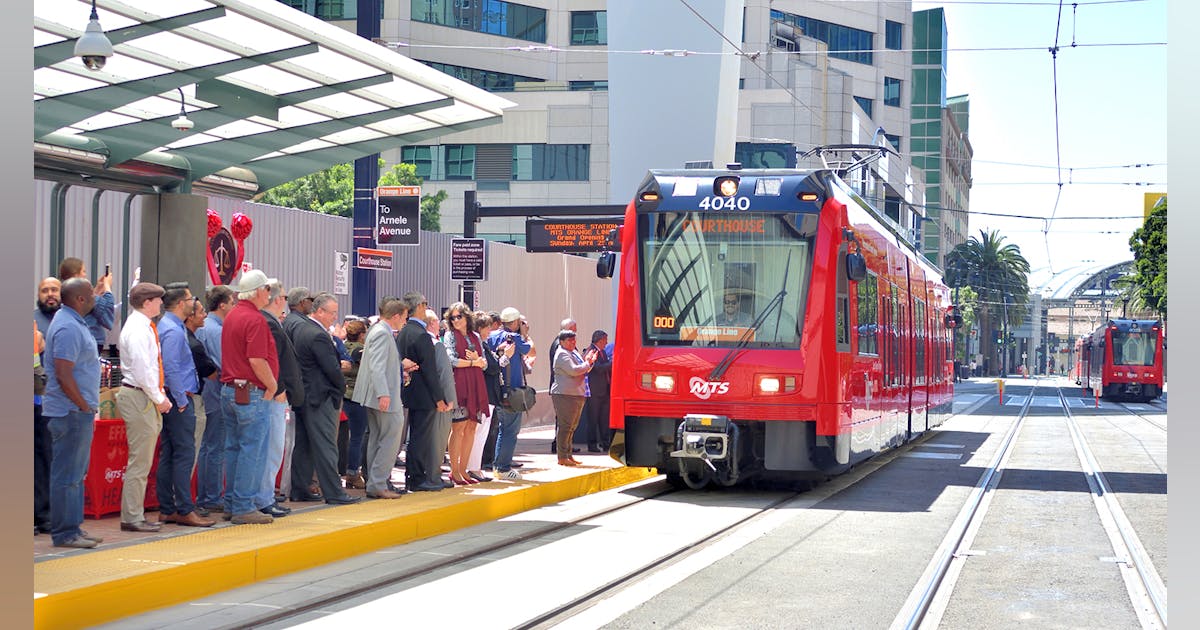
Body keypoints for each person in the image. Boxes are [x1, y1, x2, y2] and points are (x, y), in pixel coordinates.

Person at [43, 278, 102, 548]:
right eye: (91, 294)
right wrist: (83, 405)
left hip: (76, 411)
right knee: (67, 475)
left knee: (76, 475)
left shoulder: (74, 322)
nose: (94, 298)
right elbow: (64, 374)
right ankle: (65, 533)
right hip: (70, 413)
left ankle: (73, 528)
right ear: (79, 298)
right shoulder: (67, 327)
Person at [288, 292, 361, 506]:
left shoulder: (302, 329)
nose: (335, 318)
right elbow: (331, 368)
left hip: (306, 396)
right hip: (321, 397)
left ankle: (300, 489)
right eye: (332, 313)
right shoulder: (318, 335)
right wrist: (341, 387)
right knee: (327, 445)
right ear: (319, 311)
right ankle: (334, 492)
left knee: (304, 445)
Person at [219, 269, 279, 525]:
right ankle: (244, 505)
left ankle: (233, 502)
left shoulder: (233, 316)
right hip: (252, 393)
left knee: (233, 447)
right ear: (257, 292)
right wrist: (272, 385)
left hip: (231, 390)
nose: (270, 293)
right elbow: (256, 359)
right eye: (267, 289)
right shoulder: (254, 320)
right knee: (252, 450)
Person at [155, 283, 214, 528]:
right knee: (183, 454)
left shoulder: (171, 326)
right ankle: (183, 508)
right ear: (181, 303)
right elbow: (170, 368)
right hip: (179, 398)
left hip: (176, 396)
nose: (193, 302)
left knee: (170, 453)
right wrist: (180, 400)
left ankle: (168, 508)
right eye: (190, 299)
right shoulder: (172, 329)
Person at [115, 281, 170, 534]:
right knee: (140, 462)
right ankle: (132, 516)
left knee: (143, 461)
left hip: (142, 395)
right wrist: (159, 398)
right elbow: (143, 370)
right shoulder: (138, 329)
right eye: (158, 300)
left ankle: (134, 514)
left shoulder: (143, 326)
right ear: (147, 303)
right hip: (139, 395)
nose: (161, 303)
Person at [352, 297, 408, 499]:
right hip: (384, 396)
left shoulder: (378, 331)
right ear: (395, 316)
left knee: (377, 437)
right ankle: (378, 483)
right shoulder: (383, 334)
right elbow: (377, 366)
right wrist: (383, 393)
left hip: (378, 395)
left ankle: (375, 483)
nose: (405, 321)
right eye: (404, 317)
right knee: (390, 438)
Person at [396, 291, 451, 492]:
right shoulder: (421, 335)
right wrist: (439, 398)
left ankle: (413, 476)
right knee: (421, 437)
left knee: (413, 437)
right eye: (425, 304)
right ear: (419, 306)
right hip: (424, 395)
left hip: (408, 391)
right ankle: (417, 478)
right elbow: (430, 370)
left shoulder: (403, 332)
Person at [258, 280, 301, 518]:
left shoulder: (273, 322)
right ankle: (264, 498)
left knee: (273, 447)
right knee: (272, 448)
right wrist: (279, 388)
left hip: (275, 393)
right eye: (284, 297)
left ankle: (265, 496)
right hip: (275, 396)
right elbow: (271, 361)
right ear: (277, 300)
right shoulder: (269, 324)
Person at [195, 285, 235, 515]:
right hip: (215, 390)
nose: (234, 306)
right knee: (215, 445)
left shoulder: (206, 327)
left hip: (208, 390)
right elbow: (225, 364)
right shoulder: (216, 331)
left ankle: (206, 494)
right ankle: (211, 495)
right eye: (231, 301)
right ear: (222, 304)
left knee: (208, 446)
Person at [443, 302, 489, 486]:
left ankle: (463, 469)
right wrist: (473, 363)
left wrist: (478, 361)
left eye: (458, 317)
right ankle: (454, 471)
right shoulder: (449, 336)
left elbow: (484, 362)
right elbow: (452, 360)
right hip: (460, 384)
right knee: (459, 427)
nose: (455, 320)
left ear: (466, 317)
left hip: (476, 383)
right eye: (452, 317)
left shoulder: (475, 336)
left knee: (471, 427)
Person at [487, 307, 533, 480]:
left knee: (501, 429)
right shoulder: (515, 338)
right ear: (514, 323)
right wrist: (524, 333)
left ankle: (499, 466)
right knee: (510, 431)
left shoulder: (491, 336)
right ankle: (503, 467)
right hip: (512, 392)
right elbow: (528, 349)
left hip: (497, 390)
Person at [550, 329, 596, 466]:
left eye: (574, 340)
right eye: (569, 340)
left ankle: (568, 455)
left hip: (576, 393)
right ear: (562, 341)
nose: (573, 343)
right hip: (564, 395)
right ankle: (562, 456)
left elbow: (584, 369)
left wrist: (589, 362)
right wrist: (587, 363)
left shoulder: (573, 352)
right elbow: (575, 370)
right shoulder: (561, 354)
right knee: (565, 426)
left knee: (572, 427)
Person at [425, 309, 458, 489]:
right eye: (437, 321)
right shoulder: (436, 344)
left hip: (425, 398)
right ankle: (434, 475)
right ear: (431, 323)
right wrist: (450, 398)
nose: (440, 324)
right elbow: (444, 374)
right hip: (440, 400)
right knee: (438, 438)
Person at [57, 257, 115, 354]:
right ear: (76, 275)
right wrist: (107, 286)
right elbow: (107, 309)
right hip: (91, 340)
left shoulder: (65, 292)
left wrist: (97, 289)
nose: (85, 274)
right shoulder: (81, 292)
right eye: (83, 271)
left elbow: (91, 304)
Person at [340, 318, 369, 490]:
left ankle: (339, 472)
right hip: (356, 397)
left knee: (341, 438)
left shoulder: (342, 346)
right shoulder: (361, 350)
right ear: (361, 335)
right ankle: (352, 473)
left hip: (342, 395)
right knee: (357, 438)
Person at [548, 317, 579, 455]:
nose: (574, 335)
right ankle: (560, 450)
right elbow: (570, 368)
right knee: (563, 423)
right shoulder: (559, 347)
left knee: (569, 424)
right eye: (573, 331)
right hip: (563, 389)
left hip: (571, 389)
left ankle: (567, 450)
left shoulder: (568, 347)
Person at [583, 329, 612, 452]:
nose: (606, 343)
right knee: (593, 419)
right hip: (594, 391)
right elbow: (598, 368)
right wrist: (613, 363)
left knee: (604, 419)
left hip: (604, 390)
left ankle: (605, 443)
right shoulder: (590, 351)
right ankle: (592, 444)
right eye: (605, 340)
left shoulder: (603, 352)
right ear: (599, 340)